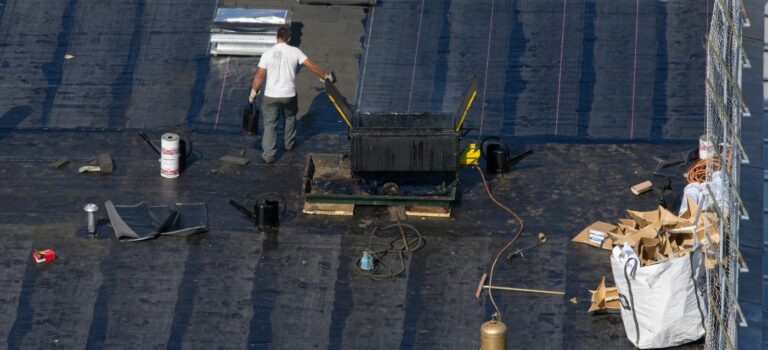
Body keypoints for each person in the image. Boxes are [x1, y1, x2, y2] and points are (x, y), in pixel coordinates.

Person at [250, 26, 334, 164]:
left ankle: (269, 155)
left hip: (271, 96)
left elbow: (259, 76)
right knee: (289, 117)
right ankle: (289, 144)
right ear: (289, 38)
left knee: (270, 124)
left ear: (276, 37)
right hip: (289, 94)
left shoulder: (267, 53)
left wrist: (253, 92)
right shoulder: (295, 52)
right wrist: (326, 77)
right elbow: (312, 66)